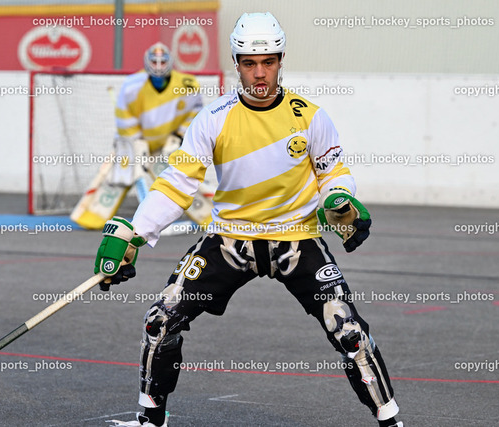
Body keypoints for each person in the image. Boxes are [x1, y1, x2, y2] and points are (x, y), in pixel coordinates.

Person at [94, 12, 403, 427]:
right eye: (249, 63)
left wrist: (340, 198)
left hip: (296, 239)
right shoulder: (213, 119)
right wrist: (134, 233)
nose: (260, 73)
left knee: (349, 331)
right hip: (228, 240)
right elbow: (176, 184)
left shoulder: (311, 116)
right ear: (236, 63)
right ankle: (151, 420)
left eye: (269, 62)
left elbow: (332, 173)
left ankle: (391, 421)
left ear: (280, 60)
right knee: (160, 321)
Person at [71, 42, 211, 230]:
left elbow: (196, 112)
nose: (159, 66)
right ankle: (90, 217)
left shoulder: (187, 84)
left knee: (182, 177)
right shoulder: (132, 85)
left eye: (163, 62)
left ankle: (210, 217)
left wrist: (179, 136)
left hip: (166, 144)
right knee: (117, 178)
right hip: (134, 144)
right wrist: (134, 142)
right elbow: (124, 115)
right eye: (154, 61)